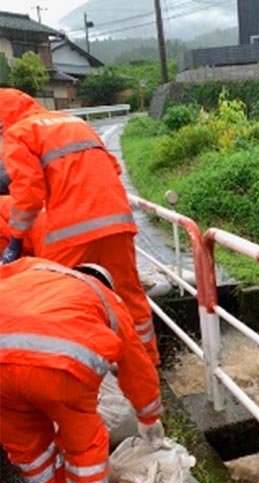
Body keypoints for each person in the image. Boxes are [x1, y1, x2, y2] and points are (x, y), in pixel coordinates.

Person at [0, 257, 165, 483]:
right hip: (60, 371)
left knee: (29, 452)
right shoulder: (106, 298)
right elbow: (136, 367)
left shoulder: (34, 267)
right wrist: (149, 416)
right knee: (85, 446)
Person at [0, 88, 159, 365]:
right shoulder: (74, 122)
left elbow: (28, 194)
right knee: (129, 295)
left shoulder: (20, 133)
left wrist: (15, 239)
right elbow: (113, 167)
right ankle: (148, 362)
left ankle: (69, 369)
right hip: (117, 222)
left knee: (54, 300)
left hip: (71, 231)